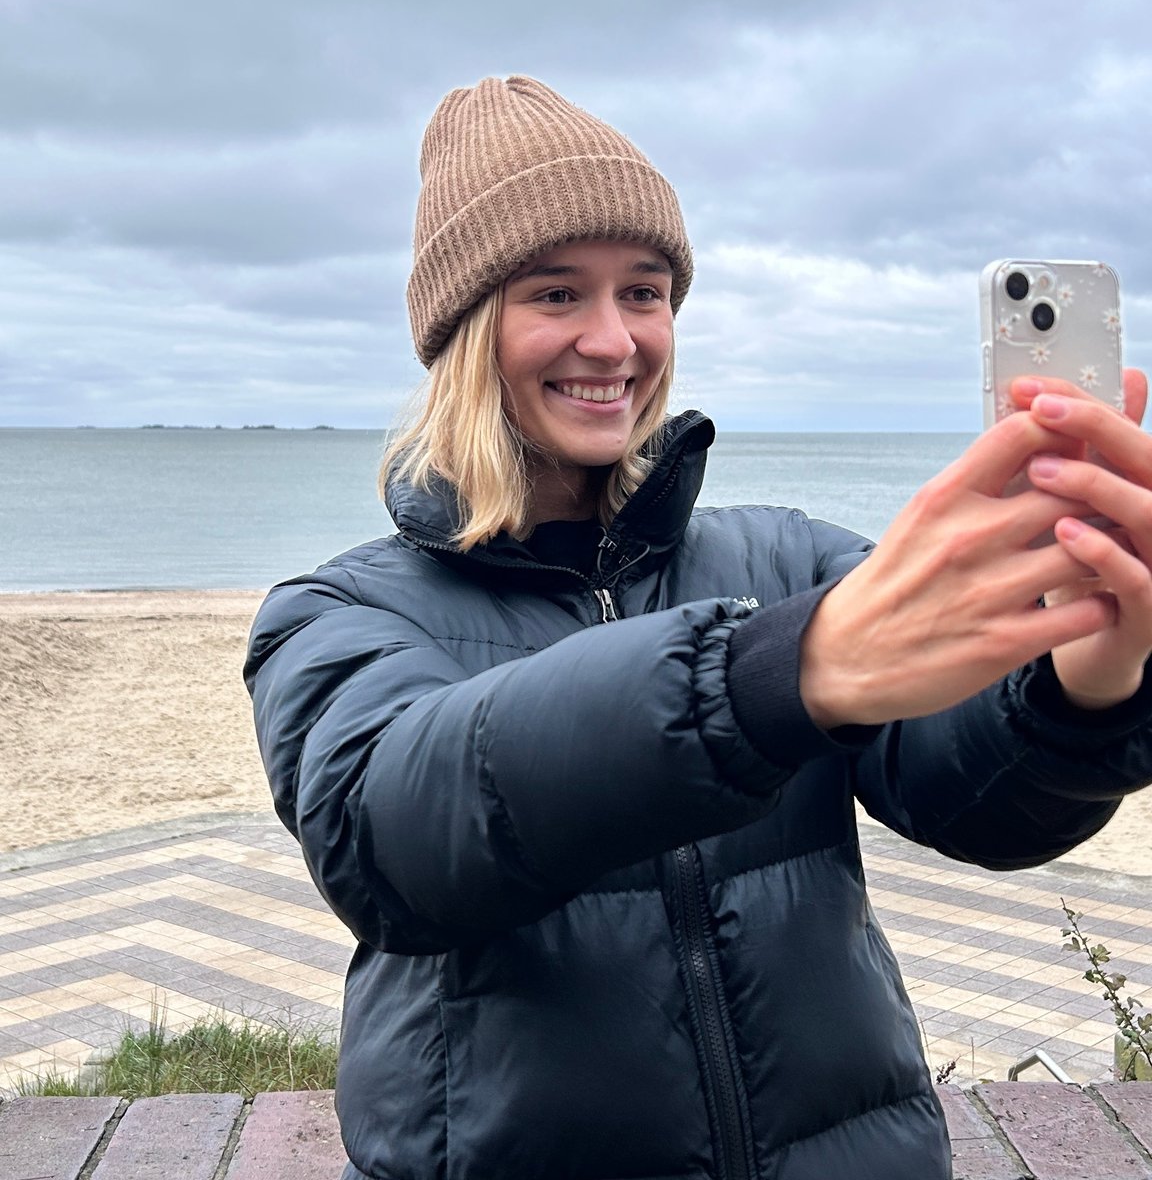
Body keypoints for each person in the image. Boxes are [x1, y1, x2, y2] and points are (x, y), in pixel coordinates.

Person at [245, 75, 1152, 1180]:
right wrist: (776, 673)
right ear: (465, 331)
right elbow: (388, 838)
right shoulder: (338, 611)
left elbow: (974, 800)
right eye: (554, 294)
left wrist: (1083, 684)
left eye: (644, 290)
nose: (613, 340)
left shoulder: (788, 558)